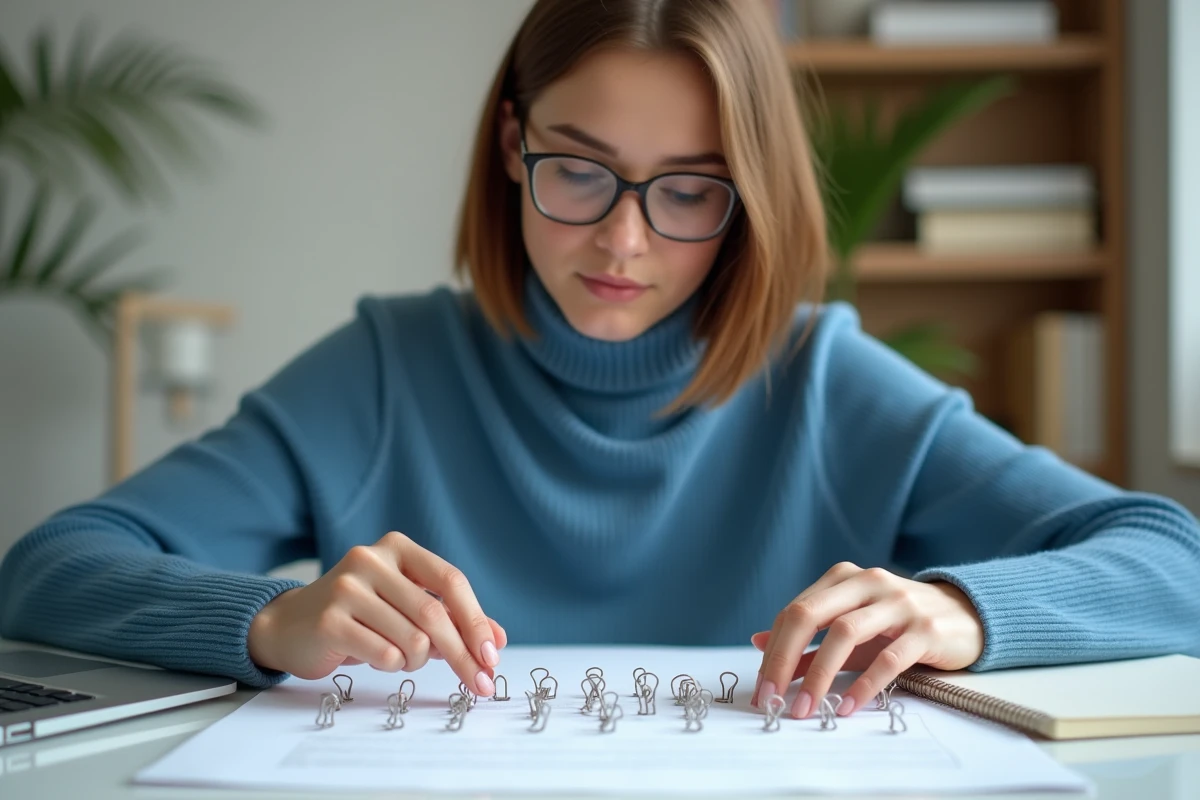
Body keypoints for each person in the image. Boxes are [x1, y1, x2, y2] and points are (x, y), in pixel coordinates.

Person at [2, 0, 1198, 725]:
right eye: (578, 169)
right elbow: (50, 566)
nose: (624, 240)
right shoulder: (387, 368)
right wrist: (272, 620)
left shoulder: (830, 385)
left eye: (689, 190)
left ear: (750, 200)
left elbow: (1173, 559)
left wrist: (955, 608)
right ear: (514, 143)